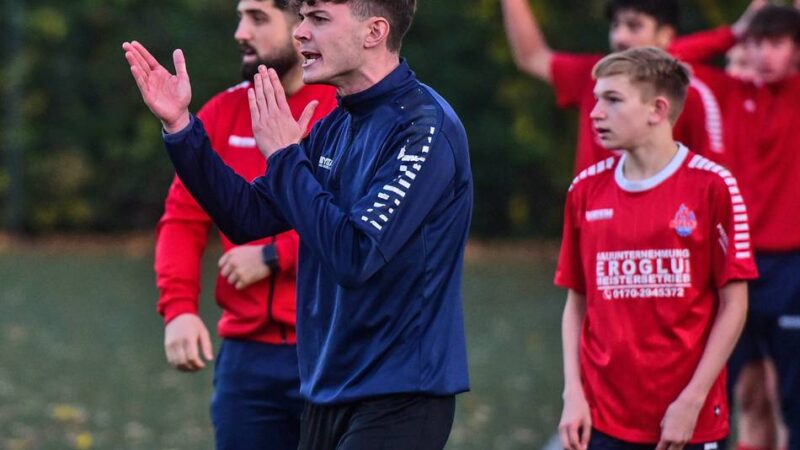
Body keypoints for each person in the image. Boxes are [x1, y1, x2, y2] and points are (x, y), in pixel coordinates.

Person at [123, 0, 472, 448]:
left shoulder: (424, 129)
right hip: (327, 388)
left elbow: (355, 254)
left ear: (374, 32)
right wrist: (181, 128)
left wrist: (286, 157)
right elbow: (248, 216)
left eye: (319, 19)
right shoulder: (337, 124)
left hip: (400, 394)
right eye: (302, 17)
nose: (302, 32)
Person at [152, 0, 337, 449]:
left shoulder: (342, 113)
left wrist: (275, 256)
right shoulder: (221, 111)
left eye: (257, 18)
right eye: (240, 16)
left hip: (331, 350)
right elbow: (182, 219)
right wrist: (178, 309)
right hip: (245, 360)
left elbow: (361, 224)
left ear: (303, 27)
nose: (240, 32)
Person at [554, 47, 758, 450]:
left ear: (657, 109)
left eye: (612, 100)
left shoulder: (713, 186)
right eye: (596, 99)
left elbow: (734, 303)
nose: (595, 112)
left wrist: (692, 400)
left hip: (685, 422)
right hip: (602, 419)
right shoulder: (584, 191)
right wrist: (572, 393)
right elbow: (577, 303)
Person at [676, 6, 800, 450]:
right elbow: (669, 58)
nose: (765, 53)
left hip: (791, 269)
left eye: (777, 42)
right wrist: (735, 30)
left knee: (791, 401)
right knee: (724, 397)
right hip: (729, 266)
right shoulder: (725, 92)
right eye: (757, 43)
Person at [501, 0, 729, 173]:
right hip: (596, 229)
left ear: (665, 35)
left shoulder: (690, 94)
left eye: (634, 26)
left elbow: (710, 180)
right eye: (616, 25)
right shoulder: (592, 74)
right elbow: (531, 57)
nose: (620, 37)